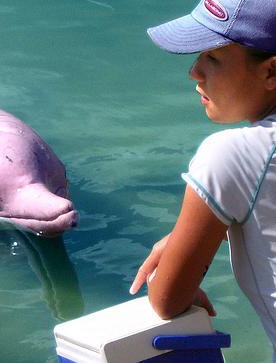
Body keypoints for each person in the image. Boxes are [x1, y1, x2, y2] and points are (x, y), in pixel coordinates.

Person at [128, 0, 276, 357]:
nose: (194, 72)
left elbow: (167, 299)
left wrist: (182, 247)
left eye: (212, 58)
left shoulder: (233, 154)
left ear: (272, 71)